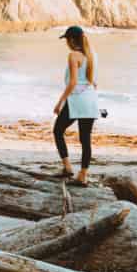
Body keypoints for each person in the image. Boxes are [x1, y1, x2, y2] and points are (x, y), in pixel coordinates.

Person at [52, 25, 98, 184]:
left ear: (71, 40)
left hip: (75, 101)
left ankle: (67, 168)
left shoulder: (73, 56)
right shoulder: (92, 55)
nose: (66, 43)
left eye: (66, 39)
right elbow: (94, 82)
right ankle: (82, 176)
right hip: (90, 100)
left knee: (58, 131)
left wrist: (60, 102)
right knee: (85, 139)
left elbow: (72, 83)